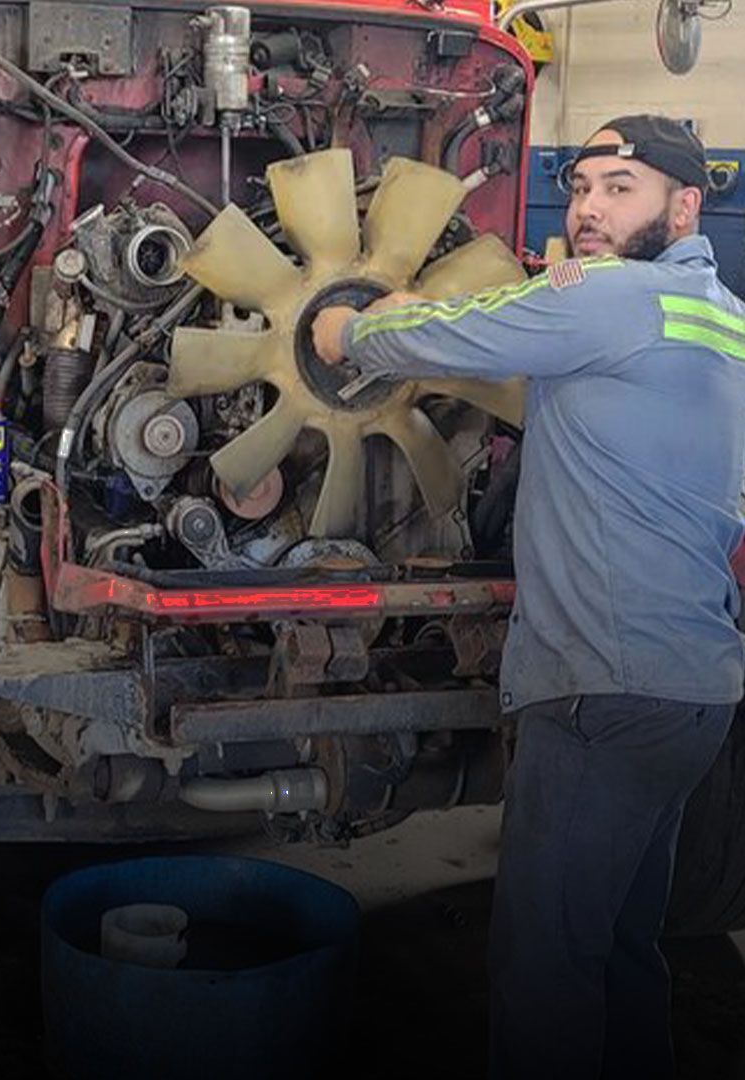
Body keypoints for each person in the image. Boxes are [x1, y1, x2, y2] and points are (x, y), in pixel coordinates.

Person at [311, 115, 745, 1080]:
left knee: (546, 968)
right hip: (694, 688)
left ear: (684, 203)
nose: (590, 208)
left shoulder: (615, 301)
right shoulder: (721, 314)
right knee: (625, 948)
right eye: (582, 186)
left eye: (620, 188)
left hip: (601, 684)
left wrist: (346, 326)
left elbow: (450, 333)